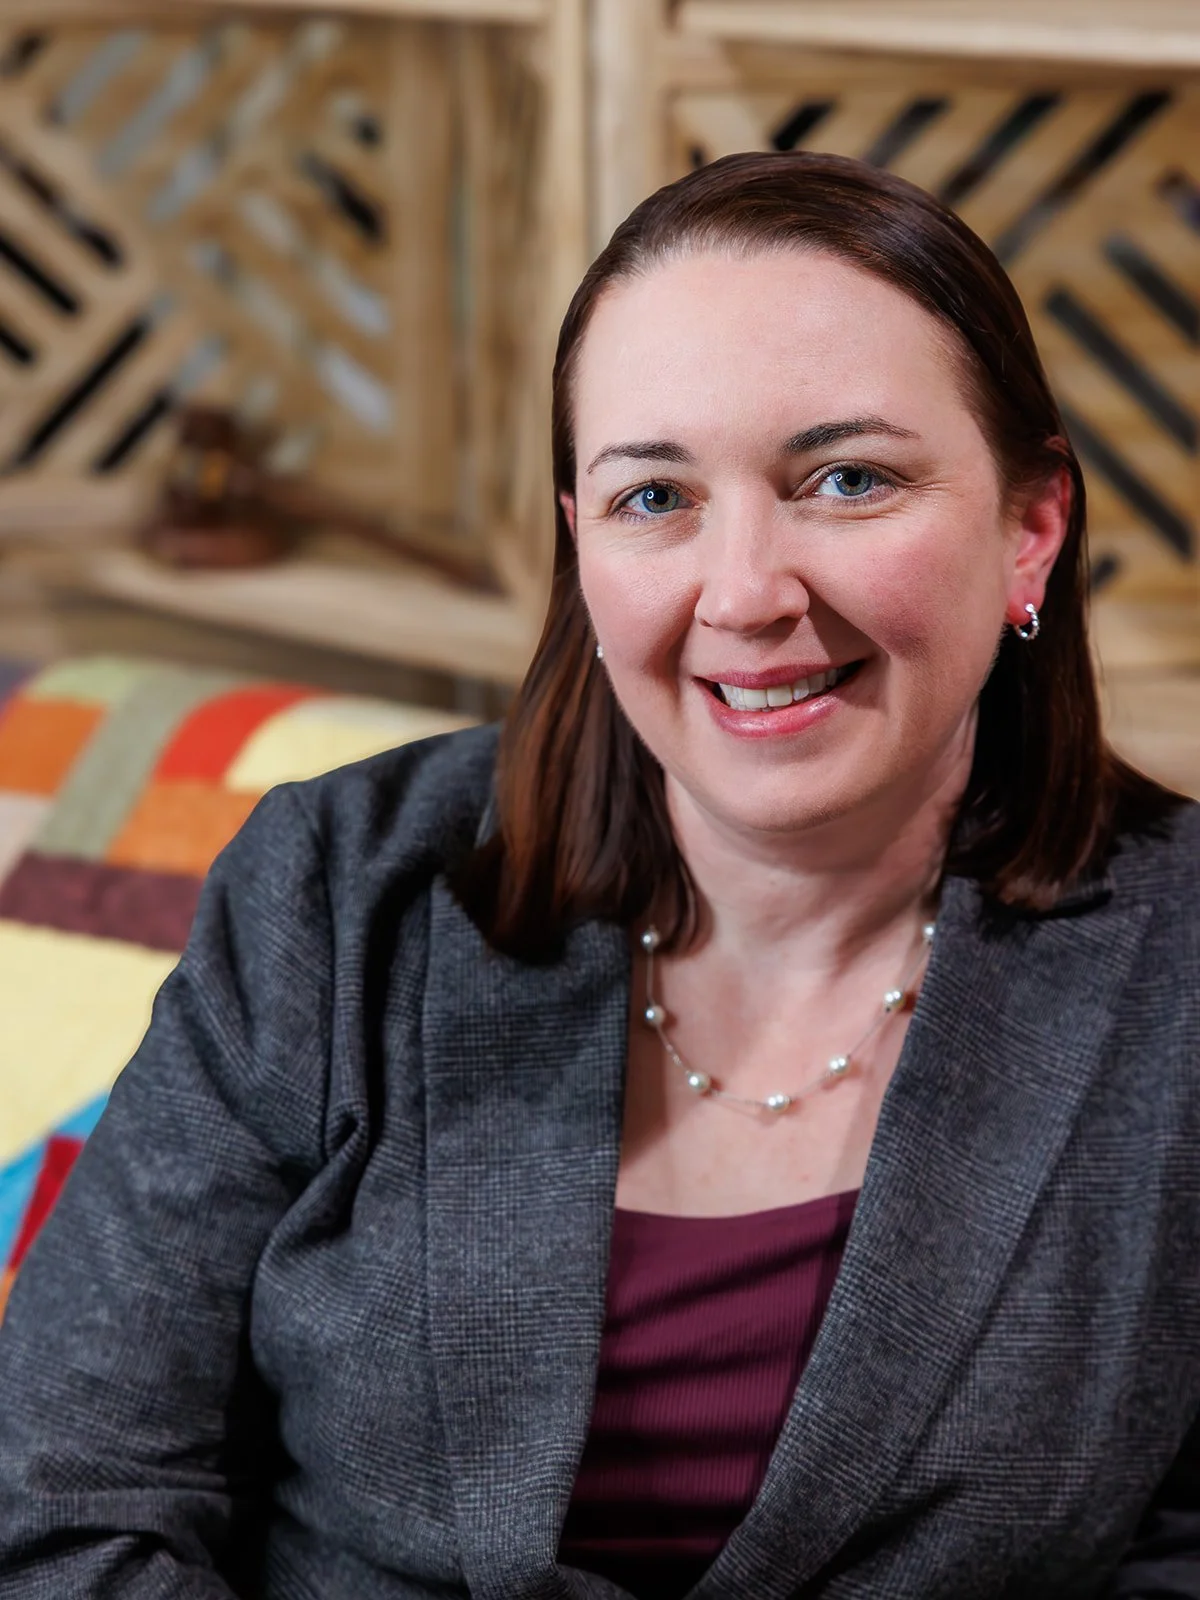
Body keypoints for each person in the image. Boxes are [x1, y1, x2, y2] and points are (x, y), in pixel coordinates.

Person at [0, 149, 1197, 1600]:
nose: (747, 591)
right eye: (655, 498)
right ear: (581, 543)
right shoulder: (337, 887)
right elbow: (60, 1496)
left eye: (848, 478)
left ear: (1032, 529)